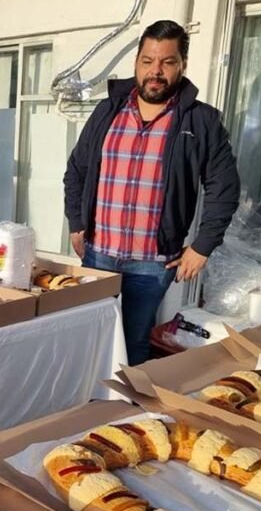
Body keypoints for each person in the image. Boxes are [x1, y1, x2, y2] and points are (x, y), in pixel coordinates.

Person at [64, 20, 240, 366]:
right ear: (136, 64)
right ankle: (84, 415)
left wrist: (203, 245)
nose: (155, 71)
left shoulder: (200, 121)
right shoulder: (108, 111)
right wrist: (76, 222)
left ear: (182, 65)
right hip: (98, 254)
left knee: (132, 345)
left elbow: (224, 187)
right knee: (89, 342)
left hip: (151, 263)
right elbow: (77, 170)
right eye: (147, 61)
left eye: (167, 62)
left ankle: (126, 417)